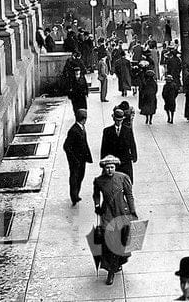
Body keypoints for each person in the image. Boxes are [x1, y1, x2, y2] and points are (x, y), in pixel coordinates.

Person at [93, 156, 137, 286]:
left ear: (115, 167)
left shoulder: (123, 178)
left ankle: (116, 264)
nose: (109, 170)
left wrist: (132, 211)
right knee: (109, 241)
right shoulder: (99, 181)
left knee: (121, 241)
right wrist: (97, 205)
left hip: (122, 212)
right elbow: (96, 195)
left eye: (112, 167)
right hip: (107, 213)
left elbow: (129, 195)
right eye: (107, 167)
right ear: (104, 168)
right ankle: (111, 271)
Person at [100, 104, 138, 183]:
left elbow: (132, 144)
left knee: (126, 183)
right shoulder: (107, 131)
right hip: (113, 162)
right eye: (117, 120)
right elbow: (104, 147)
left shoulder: (128, 130)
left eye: (120, 120)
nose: (118, 122)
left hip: (125, 161)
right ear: (113, 119)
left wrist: (134, 156)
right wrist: (103, 160)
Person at [64, 108, 93, 205]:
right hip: (76, 160)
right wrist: (73, 159)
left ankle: (76, 194)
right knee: (74, 177)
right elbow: (66, 146)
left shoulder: (81, 127)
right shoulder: (74, 130)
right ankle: (74, 196)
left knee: (80, 176)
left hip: (82, 159)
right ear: (84, 119)